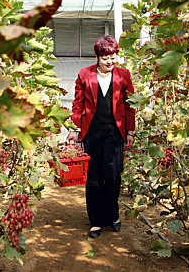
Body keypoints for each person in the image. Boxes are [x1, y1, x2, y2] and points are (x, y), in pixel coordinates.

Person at [66, 35, 135, 238]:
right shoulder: (84, 74)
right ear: (97, 56)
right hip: (92, 132)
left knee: (113, 175)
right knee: (94, 177)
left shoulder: (123, 75)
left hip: (115, 132)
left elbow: (130, 105)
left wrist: (130, 131)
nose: (110, 62)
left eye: (113, 57)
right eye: (106, 57)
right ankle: (96, 221)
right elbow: (78, 104)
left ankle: (113, 217)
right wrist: (73, 128)